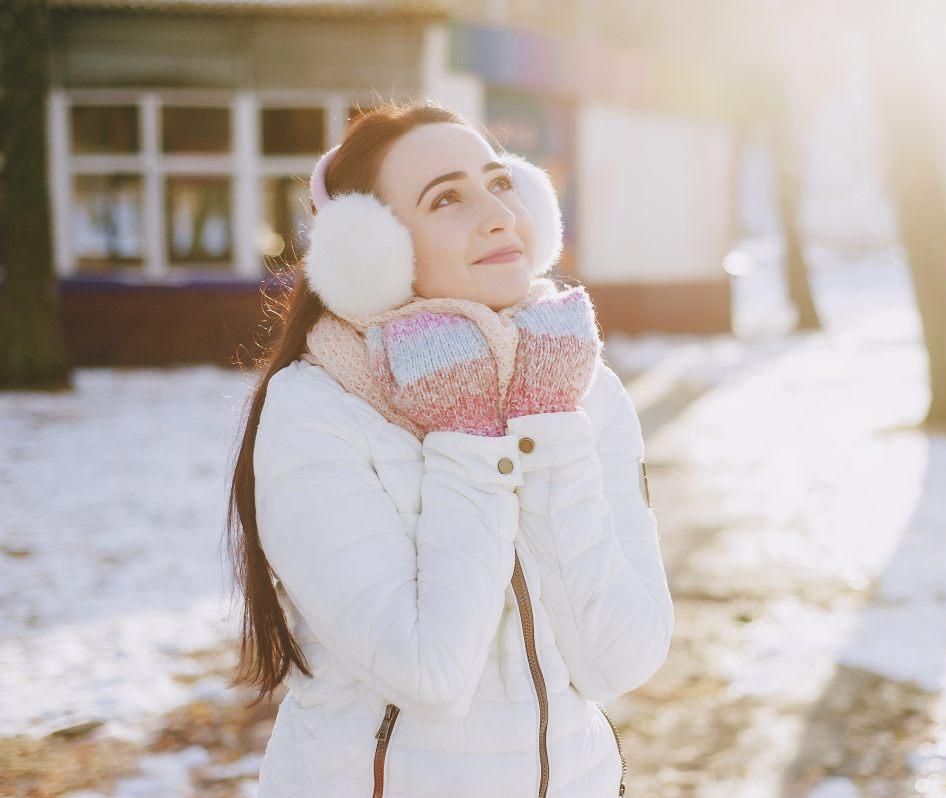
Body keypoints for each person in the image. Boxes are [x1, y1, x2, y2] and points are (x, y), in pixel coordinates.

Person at [224, 98, 675, 798]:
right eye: (447, 200)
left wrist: (545, 425)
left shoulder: (575, 385)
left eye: (500, 184)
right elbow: (429, 673)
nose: (498, 214)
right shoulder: (317, 413)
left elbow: (620, 660)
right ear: (373, 253)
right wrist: (466, 432)